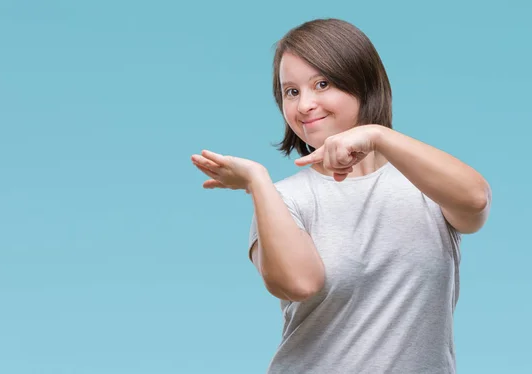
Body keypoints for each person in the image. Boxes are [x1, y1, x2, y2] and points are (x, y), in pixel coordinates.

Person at [190, 18, 491, 373]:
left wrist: (378, 136)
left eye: (322, 83)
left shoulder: (424, 182)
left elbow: (476, 203)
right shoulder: (285, 199)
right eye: (291, 92)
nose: (304, 105)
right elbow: (298, 283)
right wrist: (258, 183)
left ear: (363, 84)